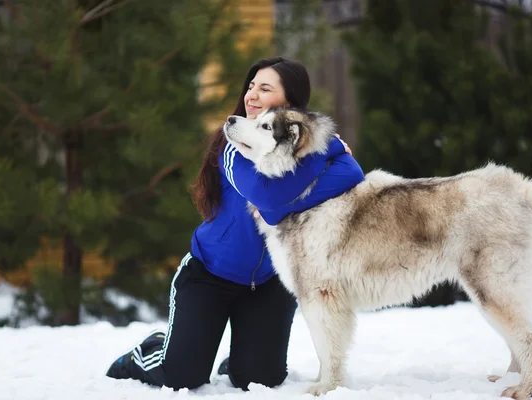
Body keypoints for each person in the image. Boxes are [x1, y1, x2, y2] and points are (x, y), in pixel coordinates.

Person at [105, 56, 365, 391]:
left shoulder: (306, 146)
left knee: (260, 378)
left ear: (288, 102)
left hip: (267, 284)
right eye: (251, 86)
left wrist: (321, 151)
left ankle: (242, 356)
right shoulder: (234, 141)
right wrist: (326, 155)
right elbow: (268, 200)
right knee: (182, 377)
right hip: (209, 276)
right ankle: (150, 350)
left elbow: (353, 173)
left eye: (264, 88)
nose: (251, 95)